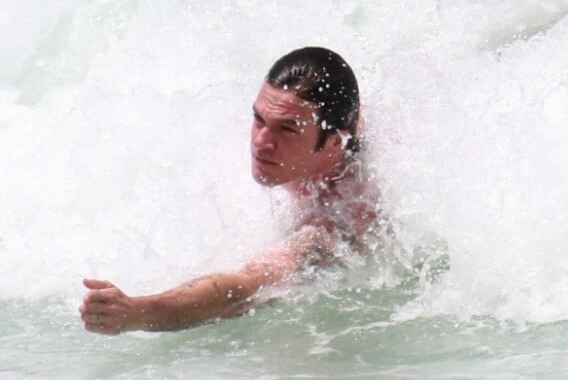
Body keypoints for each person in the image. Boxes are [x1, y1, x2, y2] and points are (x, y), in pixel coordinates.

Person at [79, 47, 378, 334]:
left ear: (335, 144)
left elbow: (244, 288)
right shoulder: (324, 130)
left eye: (287, 129)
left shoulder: (338, 218)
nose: (261, 142)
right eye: (259, 119)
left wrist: (138, 312)